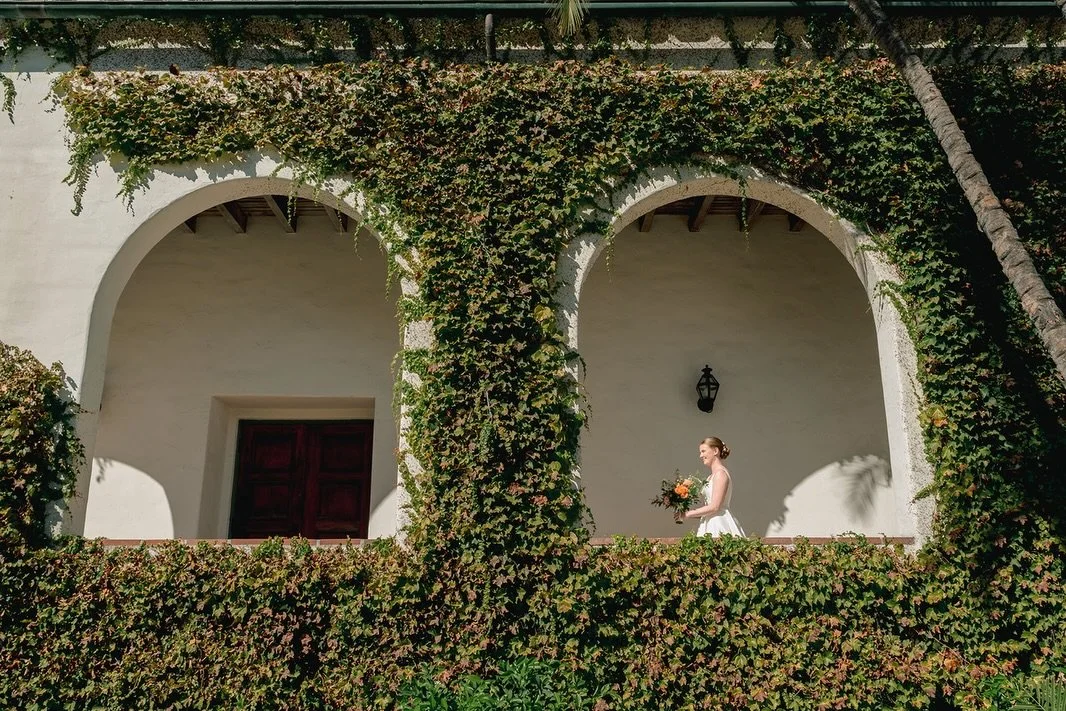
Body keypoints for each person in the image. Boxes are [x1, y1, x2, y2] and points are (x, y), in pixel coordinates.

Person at [684, 436, 745, 537]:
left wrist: (688, 514)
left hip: (719, 523)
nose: (700, 455)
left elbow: (715, 507)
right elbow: (708, 508)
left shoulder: (720, 474)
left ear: (715, 451)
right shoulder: (710, 477)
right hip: (708, 522)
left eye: (703, 451)